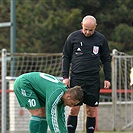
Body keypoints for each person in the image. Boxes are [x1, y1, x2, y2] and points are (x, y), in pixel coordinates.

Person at [62, 15, 111, 133]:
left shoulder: (100, 39)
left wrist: (107, 78)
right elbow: (66, 57)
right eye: (85, 29)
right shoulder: (73, 37)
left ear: (95, 27)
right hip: (77, 79)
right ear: (81, 25)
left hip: (93, 80)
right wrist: (65, 77)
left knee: (91, 111)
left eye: (91, 30)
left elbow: (106, 59)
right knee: (74, 109)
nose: (88, 32)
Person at [14, 72, 83, 133]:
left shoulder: (63, 96)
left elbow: (60, 117)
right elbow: (50, 114)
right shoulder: (57, 93)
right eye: (73, 103)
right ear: (68, 96)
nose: (72, 106)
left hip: (35, 88)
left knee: (43, 114)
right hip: (24, 83)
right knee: (37, 113)